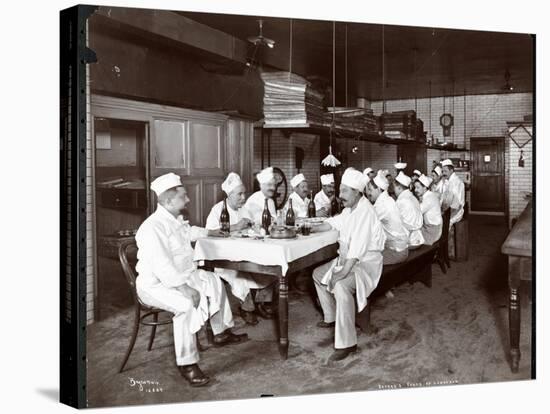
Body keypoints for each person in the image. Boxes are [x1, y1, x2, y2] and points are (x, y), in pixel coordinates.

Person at [135, 173, 248, 387]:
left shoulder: (173, 219)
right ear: (168, 201)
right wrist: (185, 288)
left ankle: (220, 333)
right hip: (154, 285)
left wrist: (216, 232)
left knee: (213, 280)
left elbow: (191, 232)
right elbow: (162, 265)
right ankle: (187, 363)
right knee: (187, 305)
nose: (188, 200)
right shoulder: (152, 227)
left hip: (181, 275)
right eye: (183, 196)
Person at [310, 168, 386, 361]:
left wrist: (341, 273)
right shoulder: (349, 209)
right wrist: (310, 228)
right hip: (349, 259)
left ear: (356, 192)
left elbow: (357, 251)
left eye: (344, 191)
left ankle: (347, 343)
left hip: (366, 263)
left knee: (341, 285)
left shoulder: (365, 212)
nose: (340, 195)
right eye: (340, 190)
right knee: (318, 274)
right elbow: (334, 223)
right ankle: (332, 317)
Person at [205, 172, 276, 325]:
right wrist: (236, 227)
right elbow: (209, 234)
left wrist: (255, 227)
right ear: (229, 195)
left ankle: (262, 303)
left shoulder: (243, 209)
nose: (243, 198)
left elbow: (253, 227)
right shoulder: (218, 210)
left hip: (245, 254)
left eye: (244, 193)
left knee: (269, 269)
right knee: (240, 278)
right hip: (223, 259)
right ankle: (247, 308)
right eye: (239, 194)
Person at [242, 166, 278, 319]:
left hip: (266, 240)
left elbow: (274, 220)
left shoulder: (270, 201)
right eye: (269, 185)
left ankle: (264, 302)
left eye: (274, 185)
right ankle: (255, 304)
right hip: (252, 243)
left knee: (276, 264)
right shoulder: (252, 201)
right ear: (261, 185)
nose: (273, 188)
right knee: (265, 266)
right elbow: (246, 224)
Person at [365, 171, 409, 265]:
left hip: (396, 252)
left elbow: (366, 222)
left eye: (370, 190)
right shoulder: (388, 199)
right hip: (401, 247)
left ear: (379, 190)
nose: (368, 193)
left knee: (363, 261)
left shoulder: (382, 205)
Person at [393, 171, 425, 248]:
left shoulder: (401, 201)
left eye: (394, 188)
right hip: (419, 239)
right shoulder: (413, 197)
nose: (394, 191)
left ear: (399, 188)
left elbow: (395, 223)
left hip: (410, 241)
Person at [414, 174, 443, 245]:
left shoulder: (429, 198)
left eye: (418, 187)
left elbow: (417, 212)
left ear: (425, 188)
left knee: (412, 236)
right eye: (415, 187)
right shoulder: (429, 195)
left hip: (432, 231)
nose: (415, 190)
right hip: (431, 227)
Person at [441, 159, 465, 225]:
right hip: (447, 210)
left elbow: (457, 205)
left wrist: (445, 214)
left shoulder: (457, 183)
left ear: (451, 170)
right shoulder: (446, 181)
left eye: (445, 171)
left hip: (456, 211)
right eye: (442, 171)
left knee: (445, 223)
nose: (443, 173)